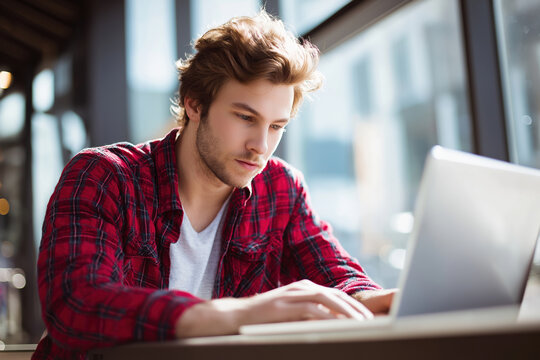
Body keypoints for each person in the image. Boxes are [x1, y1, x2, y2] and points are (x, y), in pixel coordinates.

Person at [33, 11, 395, 360]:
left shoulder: (282, 188)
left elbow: (338, 275)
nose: (261, 146)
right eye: (245, 117)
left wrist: (363, 301)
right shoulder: (104, 175)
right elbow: (75, 304)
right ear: (194, 103)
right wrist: (232, 316)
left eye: (276, 126)